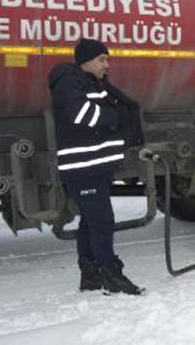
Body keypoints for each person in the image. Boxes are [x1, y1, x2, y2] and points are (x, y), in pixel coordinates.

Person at [48, 38, 144, 295]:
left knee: (90, 223)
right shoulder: (69, 82)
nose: (107, 65)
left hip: (95, 166)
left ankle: (90, 277)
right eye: (102, 59)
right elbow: (81, 114)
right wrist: (115, 118)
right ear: (86, 60)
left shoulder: (91, 83)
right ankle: (111, 274)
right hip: (82, 168)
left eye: (108, 59)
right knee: (102, 221)